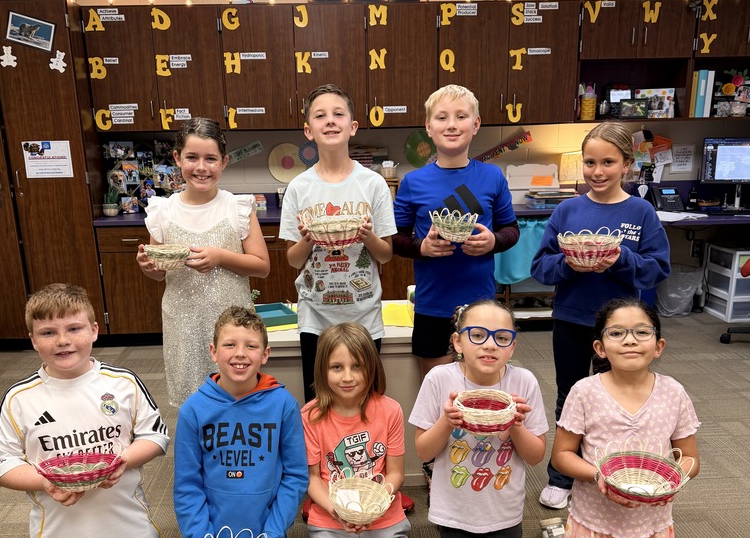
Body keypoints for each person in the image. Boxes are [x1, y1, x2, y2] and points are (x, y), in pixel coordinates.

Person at [0, 284, 169, 538]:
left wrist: (124, 461)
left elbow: (156, 436)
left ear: (94, 330)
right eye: (48, 332)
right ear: (32, 339)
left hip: (125, 529)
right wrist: (44, 481)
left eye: (74, 328)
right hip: (61, 535)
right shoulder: (19, 398)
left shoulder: (123, 383)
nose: (62, 341)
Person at [530, 121, 670, 510]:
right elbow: (541, 268)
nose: (598, 171)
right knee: (569, 397)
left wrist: (621, 258)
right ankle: (562, 476)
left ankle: (619, 471)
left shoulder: (641, 212)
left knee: (620, 399)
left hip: (622, 327)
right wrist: (572, 263)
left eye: (608, 161)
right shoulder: (567, 209)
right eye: (590, 162)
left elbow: (658, 269)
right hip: (573, 319)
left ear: (626, 164)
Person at [539, 298, 700, 538]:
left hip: (650, 525)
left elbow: (692, 459)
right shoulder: (584, 392)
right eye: (617, 333)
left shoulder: (674, 393)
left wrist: (676, 478)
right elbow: (562, 456)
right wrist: (597, 476)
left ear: (659, 345)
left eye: (642, 332)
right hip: (596, 522)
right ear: (600, 347)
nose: (630, 340)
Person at [173, 305, 308, 538]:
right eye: (230, 344)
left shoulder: (283, 405)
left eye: (250, 346)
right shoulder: (194, 410)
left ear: (265, 354)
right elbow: (187, 486)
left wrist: (273, 536)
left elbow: (294, 477)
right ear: (213, 351)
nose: (240, 354)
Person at [409, 299, 547, 538]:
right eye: (477, 335)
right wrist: (447, 421)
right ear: (458, 342)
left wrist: (514, 424)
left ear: (512, 346)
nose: (489, 345)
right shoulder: (440, 380)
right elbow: (423, 451)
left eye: (501, 337)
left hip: (504, 512)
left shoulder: (523, 382)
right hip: (455, 510)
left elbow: (536, 455)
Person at [137, 118, 270, 407]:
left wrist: (221, 257)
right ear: (177, 158)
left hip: (233, 323)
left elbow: (262, 265)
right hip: (182, 320)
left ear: (224, 161)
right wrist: (150, 268)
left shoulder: (237, 207)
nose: (201, 167)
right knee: (192, 400)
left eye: (211, 159)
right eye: (192, 158)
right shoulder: (162, 211)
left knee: (237, 395)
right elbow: (159, 273)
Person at [301, 322, 423, 538]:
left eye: (357, 366)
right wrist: (339, 511)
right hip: (331, 522)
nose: (347, 376)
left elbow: (395, 473)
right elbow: (312, 480)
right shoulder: (310, 416)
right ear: (322, 370)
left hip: (382, 521)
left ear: (371, 366)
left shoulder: (390, 410)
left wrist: (376, 504)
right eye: (336, 367)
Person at [392, 84, 519, 380]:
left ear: (475, 125)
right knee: (437, 391)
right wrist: (421, 248)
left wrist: (493, 242)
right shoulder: (413, 182)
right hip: (432, 306)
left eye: (461, 116)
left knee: (483, 388)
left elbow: (511, 230)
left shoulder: (492, 177)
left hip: (481, 306)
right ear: (428, 126)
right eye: (442, 117)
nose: (451, 125)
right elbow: (394, 239)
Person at [279, 84, 397, 400]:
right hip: (316, 320)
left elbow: (385, 255)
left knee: (366, 406)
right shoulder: (299, 188)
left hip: (364, 320)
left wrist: (369, 237)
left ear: (353, 126)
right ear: (308, 130)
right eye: (320, 115)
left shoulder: (373, 184)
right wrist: (306, 241)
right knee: (319, 407)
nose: (330, 121)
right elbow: (292, 260)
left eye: (338, 114)